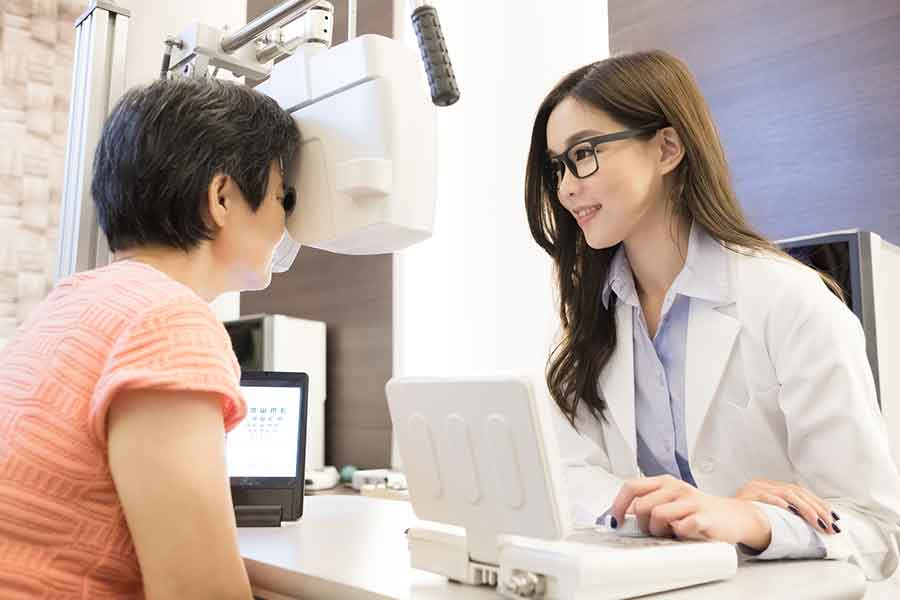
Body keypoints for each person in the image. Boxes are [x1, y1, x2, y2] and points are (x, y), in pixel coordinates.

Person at [524, 49, 900, 581]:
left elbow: (877, 530)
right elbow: (567, 480)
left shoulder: (792, 301)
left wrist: (751, 520)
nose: (565, 187)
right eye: (557, 166)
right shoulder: (586, 323)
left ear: (667, 148)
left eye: (584, 154)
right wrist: (668, 513)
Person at [0, 77, 299, 599]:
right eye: (283, 197)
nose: (287, 222)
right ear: (222, 197)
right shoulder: (168, 320)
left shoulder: (71, 302)